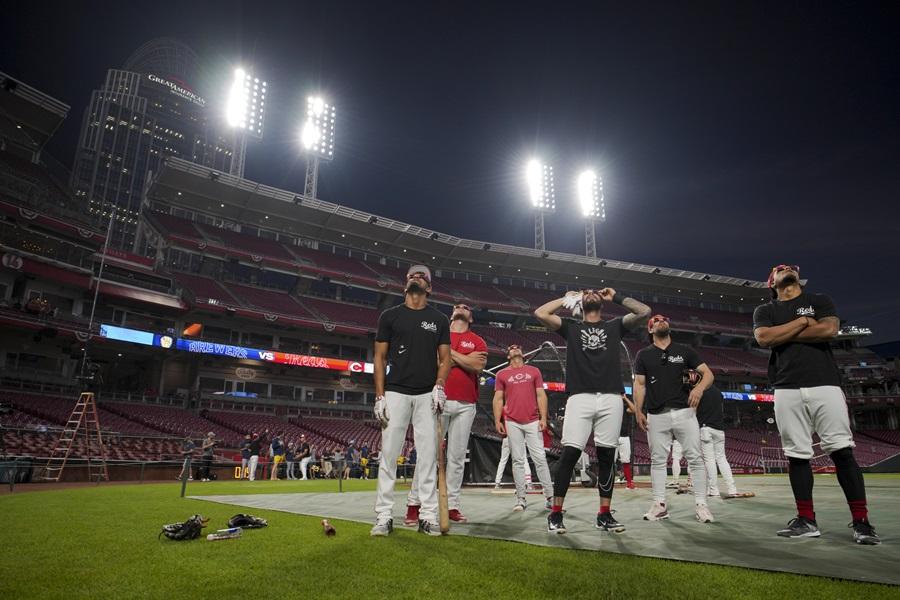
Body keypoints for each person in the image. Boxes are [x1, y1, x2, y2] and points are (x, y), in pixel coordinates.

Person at [753, 264, 879, 544]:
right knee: (797, 456)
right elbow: (764, 338)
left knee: (842, 451)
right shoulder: (765, 310)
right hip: (786, 386)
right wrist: (803, 322)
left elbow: (829, 330)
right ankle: (807, 520)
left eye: (792, 267)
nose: (787, 268)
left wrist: (783, 333)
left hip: (825, 383)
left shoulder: (819, 300)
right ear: (771, 282)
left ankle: (862, 522)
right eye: (780, 268)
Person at [534, 287, 651, 534]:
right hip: (580, 397)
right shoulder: (571, 327)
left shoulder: (614, 326)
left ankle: (604, 514)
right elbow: (540, 313)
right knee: (569, 455)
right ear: (580, 302)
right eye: (585, 293)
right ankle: (555, 514)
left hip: (611, 397)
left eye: (594, 292)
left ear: (602, 301)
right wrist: (566, 299)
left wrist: (616, 296)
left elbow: (644, 312)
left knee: (607, 457)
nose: (590, 293)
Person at [371, 265, 451, 537]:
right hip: (395, 392)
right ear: (405, 283)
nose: (416, 278)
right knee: (389, 455)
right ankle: (384, 516)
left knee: (427, 458)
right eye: (412, 275)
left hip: (427, 393)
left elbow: (446, 359)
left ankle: (427, 516)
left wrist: (439, 385)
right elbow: (379, 357)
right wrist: (380, 395)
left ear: (429, 287)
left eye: (422, 276)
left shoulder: (439, 319)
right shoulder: (390, 316)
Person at [406, 302, 487, 525]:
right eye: (457, 305)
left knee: (457, 458)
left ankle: (452, 506)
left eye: (466, 306)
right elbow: (430, 362)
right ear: (451, 314)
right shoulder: (437, 333)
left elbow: (477, 365)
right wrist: (464, 358)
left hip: (466, 403)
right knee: (427, 455)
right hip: (436, 398)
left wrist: (449, 354)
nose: (460, 307)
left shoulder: (478, 340)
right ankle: (414, 504)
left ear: (471, 317)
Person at [633, 314, 715, 523]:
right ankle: (659, 505)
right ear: (650, 329)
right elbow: (640, 384)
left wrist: (699, 389)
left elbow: (708, 374)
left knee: (695, 458)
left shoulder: (685, 350)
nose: (661, 321)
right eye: (656, 320)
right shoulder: (643, 354)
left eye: (664, 319)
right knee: (658, 461)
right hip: (656, 414)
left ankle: (702, 505)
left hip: (684, 412)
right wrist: (638, 410)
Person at [492, 343, 554, 511]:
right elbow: (498, 399)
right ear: (508, 356)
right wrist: (497, 421)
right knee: (517, 460)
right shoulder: (502, 374)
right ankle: (521, 499)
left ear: (522, 352)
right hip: (512, 421)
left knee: (540, 458)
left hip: (533, 420)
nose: (514, 348)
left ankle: (550, 497)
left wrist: (543, 417)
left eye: (517, 347)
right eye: (511, 347)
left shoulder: (534, 371)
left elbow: (541, 395)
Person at [697, 385, 739, 498]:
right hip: (719, 429)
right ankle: (732, 489)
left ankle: (713, 490)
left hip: (706, 427)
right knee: (722, 458)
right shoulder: (718, 392)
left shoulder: (700, 390)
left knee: (709, 460)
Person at [616, 395, 636, 489]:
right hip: (613, 437)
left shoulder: (625, 408)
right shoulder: (611, 407)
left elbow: (634, 410)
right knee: (609, 461)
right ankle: (607, 483)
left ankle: (629, 483)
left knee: (626, 461)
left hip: (624, 436)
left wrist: (625, 399)